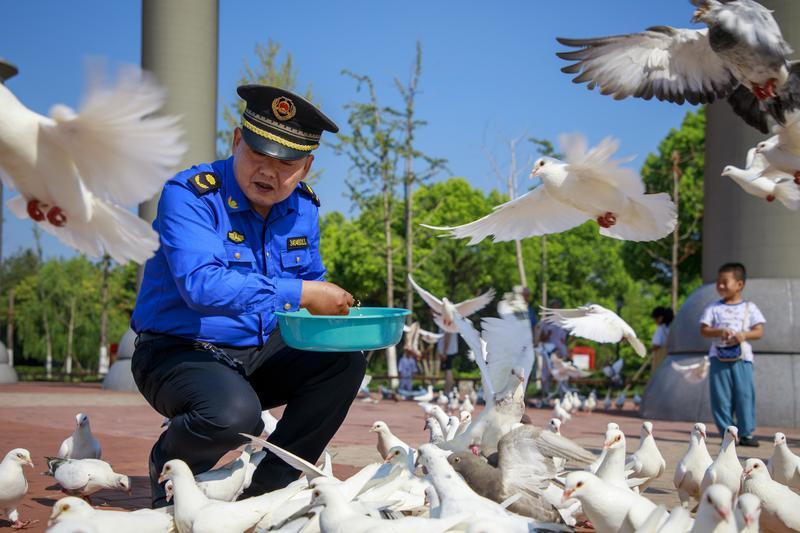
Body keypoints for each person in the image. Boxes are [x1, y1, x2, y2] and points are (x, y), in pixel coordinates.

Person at [130, 85, 367, 507]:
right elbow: (202, 285)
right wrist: (304, 292)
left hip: (259, 353)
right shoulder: (190, 196)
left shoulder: (303, 207)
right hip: (178, 351)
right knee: (234, 416)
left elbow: (311, 286)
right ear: (237, 140)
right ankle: (170, 465)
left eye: (287, 163)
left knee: (344, 359)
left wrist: (345, 322)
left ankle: (268, 491)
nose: (269, 173)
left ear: (307, 166)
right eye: (258, 154)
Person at [699, 262, 765, 447]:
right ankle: (728, 433)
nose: (720, 285)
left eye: (724, 282)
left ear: (739, 284)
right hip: (718, 356)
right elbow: (704, 330)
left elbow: (759, 331)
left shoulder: (750, 307)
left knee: (744, 395)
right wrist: (720, 331)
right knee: (720, 397)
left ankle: (746, 432)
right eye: (718, 282)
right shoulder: (713, 308)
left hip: (742, 358)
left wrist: (743, 335)